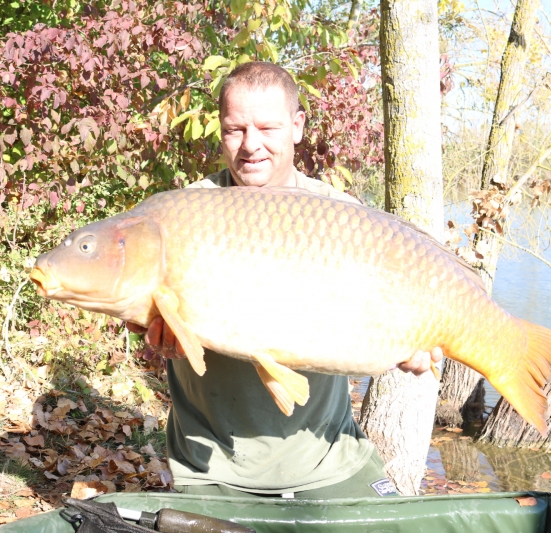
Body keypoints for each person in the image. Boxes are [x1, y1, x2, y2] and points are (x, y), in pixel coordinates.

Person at [128, 62, 442, 498]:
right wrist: (158, 337)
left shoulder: (341, 214)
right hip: (213, 467)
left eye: (267, 128)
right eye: (235, 129)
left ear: (296, 126)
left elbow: (396, 310)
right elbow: (138, 307)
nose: (250, 145)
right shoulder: (183, 214)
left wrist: (413, 341)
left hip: (331, 459)